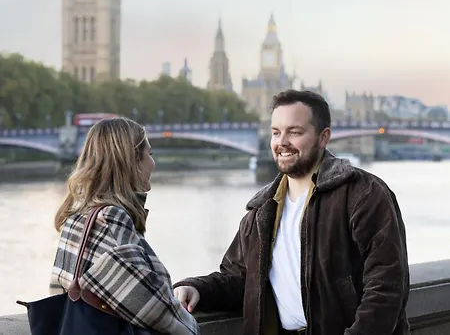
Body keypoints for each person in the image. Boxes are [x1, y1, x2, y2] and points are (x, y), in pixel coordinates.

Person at [174, 90, 410, 335]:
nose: (282, 142)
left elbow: (386, 289)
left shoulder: (364, 194)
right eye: (276, 132)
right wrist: (197, 288)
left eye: (295, 132)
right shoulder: (262, 209)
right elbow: (240, 279)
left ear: (323, 137)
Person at [50, 117, 199, 335]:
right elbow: (152, 307)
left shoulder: (76, 217)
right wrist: (191, 327)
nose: (153, 163)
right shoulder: (111, 218)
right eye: (149, 154)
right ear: (132, 162)